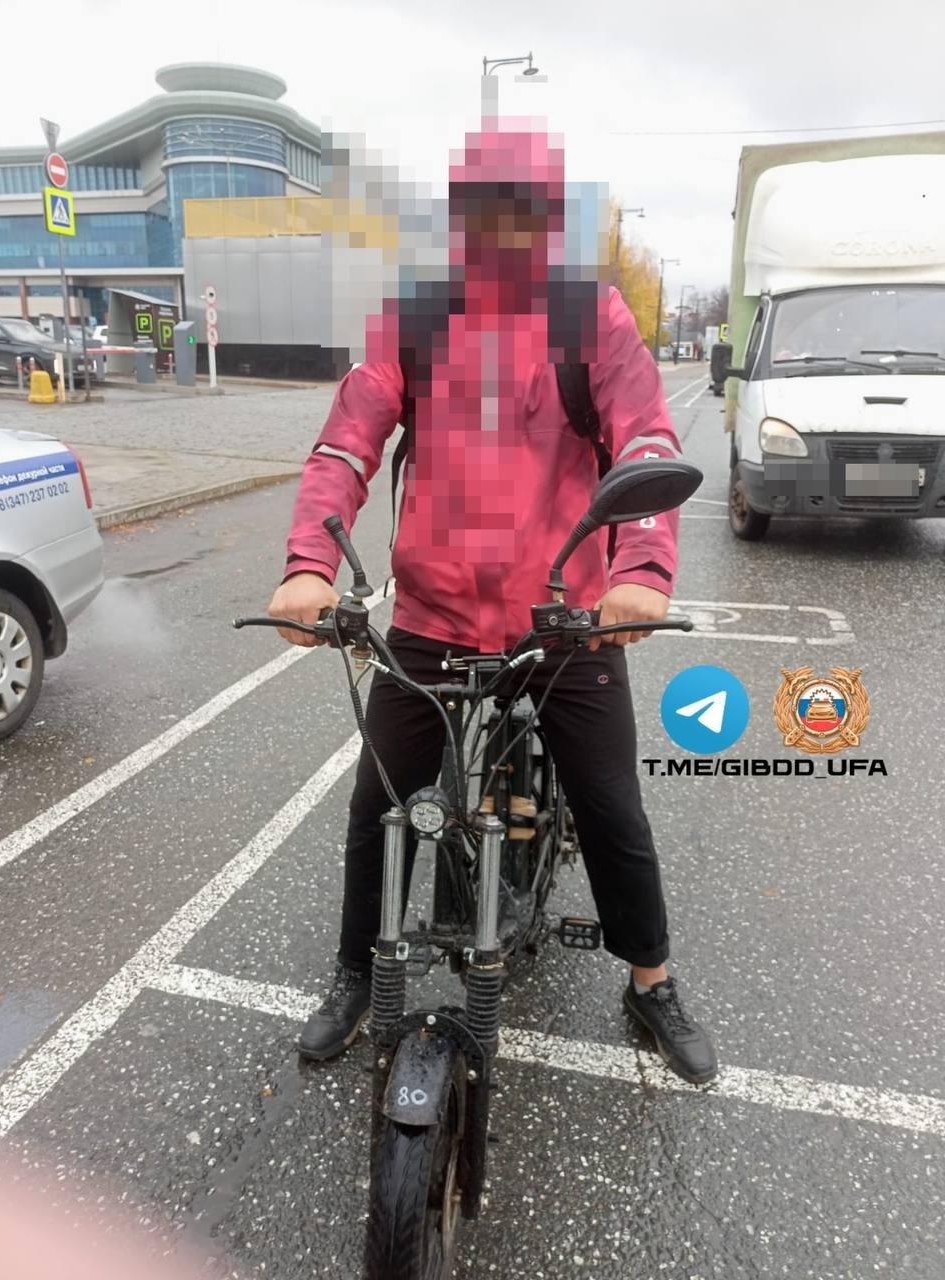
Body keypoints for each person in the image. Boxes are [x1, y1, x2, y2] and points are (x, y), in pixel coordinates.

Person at [268, 125, 718, 1085]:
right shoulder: (415, 317)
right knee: (379, 803)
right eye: (483, 211)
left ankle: (651, 982)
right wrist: (310, 564)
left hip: (565, 619)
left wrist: (641, 571)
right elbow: (346, 443)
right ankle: (356, 971)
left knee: (611, 806)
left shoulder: (592, 319)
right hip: (432, 616)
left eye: (524, 211)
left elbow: (645, 438)